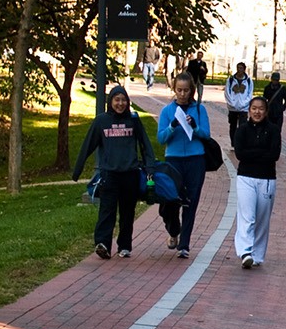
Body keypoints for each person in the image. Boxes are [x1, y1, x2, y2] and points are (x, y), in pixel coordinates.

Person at [71, 83, 152, 260]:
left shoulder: (134, 120)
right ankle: (103, 244)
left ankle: (124, 246)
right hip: (109, 175)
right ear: (110, 101)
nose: (120, 104)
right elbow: (87, 145)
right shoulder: (101, 121)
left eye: (123, 100)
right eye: (117, 100)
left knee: (127, 212)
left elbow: (145, 145)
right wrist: (76, 171)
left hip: (130, 174)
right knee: (106, 211)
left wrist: (150, 168)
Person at [156, 71, 213, 259]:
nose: (182, 94)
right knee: (170, 200)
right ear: (174, 89)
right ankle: (174, 230)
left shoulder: (199, 110)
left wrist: (194, 127)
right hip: (174, 159)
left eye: (186, 90)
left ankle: (184, 244)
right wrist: (172, 126)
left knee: (191, 201)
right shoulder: (167, 111)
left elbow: (206, 134)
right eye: (179, 90)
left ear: (192, 91)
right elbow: (161, 138)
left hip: (196, 159)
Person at [231, 93, 283, 268]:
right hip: (245, 177)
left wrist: (253, 153)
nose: (257, 112)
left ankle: (257, 255)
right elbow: (240, 154)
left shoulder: (274, 130)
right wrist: (261, 153)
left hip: (267, 179)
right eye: (254, 109)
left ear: (266, 111)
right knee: (248, 215)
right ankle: (245, 251)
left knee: (262, 218)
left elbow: (274, 155)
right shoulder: (242, 130)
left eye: (261, 109)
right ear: (249, 111)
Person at [223, 62, 255, 139]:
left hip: (243, 108)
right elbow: (227, 92)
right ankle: (233, 142)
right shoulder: (230, 80)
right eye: (238, 68)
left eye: (241, 68)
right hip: (232, 108)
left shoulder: (248, 81)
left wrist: (244, 103)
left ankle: (240, 142)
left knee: (242, 126)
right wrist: (232, 103)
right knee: (233, 125)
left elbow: (249, 94)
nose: (239, 70)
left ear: (244, 69)